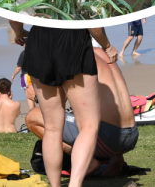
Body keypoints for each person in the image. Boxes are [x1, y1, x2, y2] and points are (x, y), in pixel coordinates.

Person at [10, 22, 117, 187]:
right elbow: (94, 24)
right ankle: (74, 184)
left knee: (52, 128)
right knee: (88, 125)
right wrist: (107, 46)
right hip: (73, 37)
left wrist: (19, 32)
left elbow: (13, 15)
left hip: (39, 39)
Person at [27, 47, 138, 177]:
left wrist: (35, 97)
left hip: (109, 138)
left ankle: (88, 161)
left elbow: (58, 103)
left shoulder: (76, 56)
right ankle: (116, 158)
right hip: (131, 134)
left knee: (32, 117)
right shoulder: (100, 52)